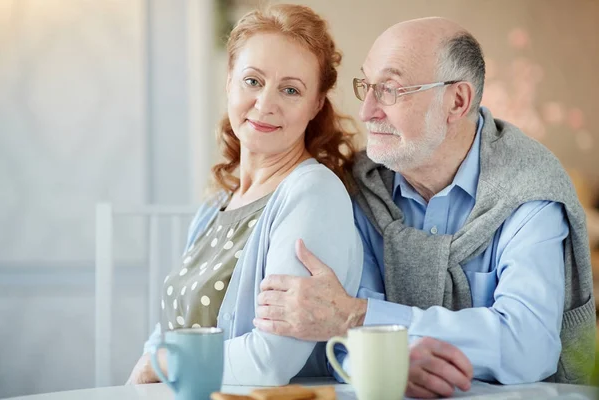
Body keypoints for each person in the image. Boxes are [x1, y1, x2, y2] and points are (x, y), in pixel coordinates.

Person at [254, 17, 596, 397]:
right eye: (366, 86)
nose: (367, 111)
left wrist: (361, 317)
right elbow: (336, 331)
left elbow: (527, 345)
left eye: (390, 90)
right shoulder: (360, 186)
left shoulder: (531, 188)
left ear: (457, 101)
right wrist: (388, 359)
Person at [126, 4, 364, 386]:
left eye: (290, 89)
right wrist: (145, 369)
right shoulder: (216, 204)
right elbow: (170, 332)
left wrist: (161, 363)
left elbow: (270, 360)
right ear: (229, 81)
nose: (265, 104)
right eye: (252, 81)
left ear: (316, 104)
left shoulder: (312, 193)